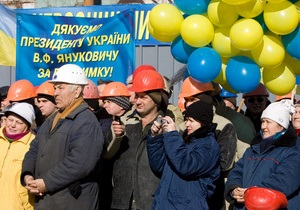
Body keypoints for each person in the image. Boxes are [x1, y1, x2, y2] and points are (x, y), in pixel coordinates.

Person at [20, 64, 104, 210]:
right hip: (47, 200)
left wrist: (46, 182)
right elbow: (34, 149)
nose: (56, 93)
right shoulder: (52, 120)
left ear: (77, 90)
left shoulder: (86, 121)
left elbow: (80, 163)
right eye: (55, 88)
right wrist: (28, 174)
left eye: (61, 88)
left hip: (72, 202)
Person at [105, 69, 170, 210]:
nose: (137, 101)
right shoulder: (123, 123)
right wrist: (115, 137)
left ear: (156, 99)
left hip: (152, 202)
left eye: (144, 97)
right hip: (121, 201)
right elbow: (105, 155)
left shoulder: (169, 127)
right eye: (137, 96)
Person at [225, 100, 300, 210]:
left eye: (268, 122)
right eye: (262, 121)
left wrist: (251, 193)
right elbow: (237, 171)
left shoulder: (293, 149)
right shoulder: (253, 149)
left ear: (281, 125)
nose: (263, 126)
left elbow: (284, 181)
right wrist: (234, 188)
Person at [147, 100, 220, 209]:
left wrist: (171, 134)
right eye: (186, 120)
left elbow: (186, 166)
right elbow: (160, 166)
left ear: (203, 122)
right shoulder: (184, 141)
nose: (187, 124)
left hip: (187, 205)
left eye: (191, 120)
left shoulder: (209, 147)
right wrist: (155, 138)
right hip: (165, 204)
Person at [0, 102, 36, 210]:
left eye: (19, 122)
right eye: (10, 120)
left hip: (17, 206)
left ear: (27, 126)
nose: (12, 125)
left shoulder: (33, 145)